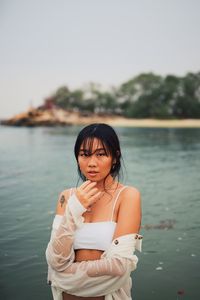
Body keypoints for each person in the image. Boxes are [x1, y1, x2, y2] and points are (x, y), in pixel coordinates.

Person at [46, 123, 143, 300]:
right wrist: (75, 208)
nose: (92, 163)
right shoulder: (66, 197)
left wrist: (62, 274)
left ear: (115, 157)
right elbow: (55, 258)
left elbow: (119, 266)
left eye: (101, 154)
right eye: (84, 154)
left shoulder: (127, 196)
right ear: (77, 157)